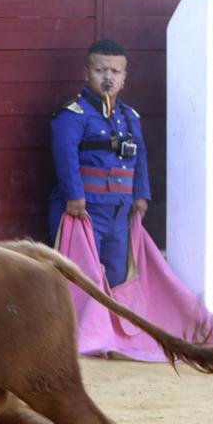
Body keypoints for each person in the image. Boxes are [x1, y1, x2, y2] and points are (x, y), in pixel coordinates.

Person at [49, 39, 150, 288]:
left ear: (124, 77)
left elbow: (140, 156)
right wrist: (74, 195)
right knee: (82, 276)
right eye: (100, 70)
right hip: (84, 210)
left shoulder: (130, 116)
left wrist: (141, 195)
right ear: (86, 73)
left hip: (120, 210)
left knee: (117, 275)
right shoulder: (73, 115)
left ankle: (110, 327)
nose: (108, 77)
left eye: (115, 71)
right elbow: (66, 155)